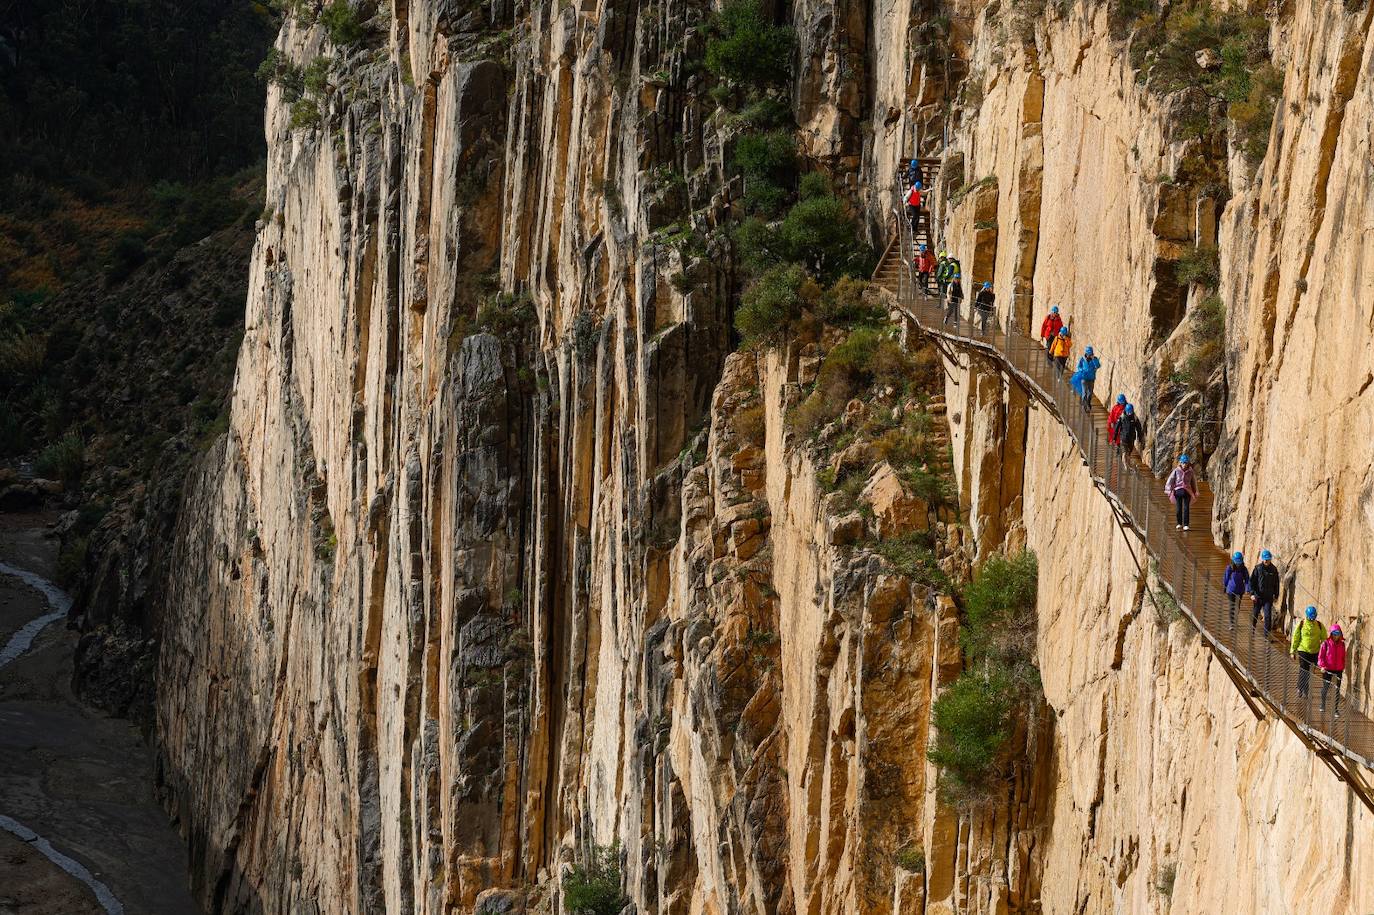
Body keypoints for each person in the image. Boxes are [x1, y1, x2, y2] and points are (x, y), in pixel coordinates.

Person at [1290, 605, 1326, 701]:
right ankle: (1302, 689)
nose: (1312, 619)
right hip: (1303, 650)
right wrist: (1292, 651)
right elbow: (1296, 638)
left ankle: (1302, 687)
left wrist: (1324, 651)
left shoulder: (1319, 625)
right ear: (1307, 615)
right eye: (1310, 617)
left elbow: (1324, 638)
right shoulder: (1301, 624)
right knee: (1303, 669)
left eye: (1313, 617)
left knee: (1310, 672)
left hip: (1315, 652)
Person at [1164, 454, 1198, 531]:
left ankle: (1186, 524)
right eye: (1183, 463)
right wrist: (1169, 489)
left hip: (1187, 491)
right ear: (1180, 463)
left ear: (1188, 463)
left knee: (1186, 508)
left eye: (1186, 463)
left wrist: (1195, 491)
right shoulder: (1176, 471)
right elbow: (1171, 480)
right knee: (1179, 508)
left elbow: (1193, 482)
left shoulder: (1190, 471)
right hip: (1178, 491)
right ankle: (1179, 523)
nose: (1184, 464)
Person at [1248, 549, 1279, 632]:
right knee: (1255, 613)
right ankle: (1252, 629)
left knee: (1268, 616)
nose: (1266, 561)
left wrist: (1276, 595)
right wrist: (1251, 594)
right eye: (1265, 559)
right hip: (1258, 596)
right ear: (1262, 559)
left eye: (1268, 559)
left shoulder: (1274, 569)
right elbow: (1252, 582)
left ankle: (1267, 636)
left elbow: (1276, 583)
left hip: (1268, 597)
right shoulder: (1257, 568)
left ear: (1270, 559)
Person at [1317, 624, 1346, 715]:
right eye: (1334, 633)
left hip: (1338, 670)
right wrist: (1322, 666)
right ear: (1331, 634)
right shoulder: (1325, 643)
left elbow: (1343, 657)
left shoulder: (1342, 644)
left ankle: (1335, 709)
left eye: (1338, 633)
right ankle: (1322, 704)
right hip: (1327, 669)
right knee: (1326, 687)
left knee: (1337, 689)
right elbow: (1320, 657)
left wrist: (1342, 666)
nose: (1336, 635)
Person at [1222, 551, 1250, 627]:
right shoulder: (1230, 568)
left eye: (1239, 562)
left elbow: (1247, 579)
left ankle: (1234, 621)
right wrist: (1224, 587)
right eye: (1236, 562)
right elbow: (1226, 578)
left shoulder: (1244, 569)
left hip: (1240, 591)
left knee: (1237, 607)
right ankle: (1231, 623)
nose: (1238, 564)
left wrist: (1248, 589)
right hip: (1231, 590)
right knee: (1232, 606)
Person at [1071, 346, 1101, 412]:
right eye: (1089, 354)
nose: (1090, 355)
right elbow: (1079, 367)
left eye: (1091, 354)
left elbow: (1098, 366)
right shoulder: (1082, 359)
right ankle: (1084, 406)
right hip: (1084, 378)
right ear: (1086, 353)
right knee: (1084, 393)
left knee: (1090, 393)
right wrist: (1082, 370)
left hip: (1091, 378)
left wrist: (1094, 360)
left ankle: (1088, 403)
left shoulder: (1094, 359)